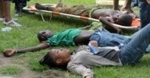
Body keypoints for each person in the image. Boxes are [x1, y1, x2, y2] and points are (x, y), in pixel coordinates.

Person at [39, 23, 150, 78]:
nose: (61, 49)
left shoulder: (76, 53)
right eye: (58, 51)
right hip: (123, 57)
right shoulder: (72, 64)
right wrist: (87, 77)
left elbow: (92, 49)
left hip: (120, 48)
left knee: (147, 31)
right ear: (59, 61)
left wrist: (92, 44)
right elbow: (84, 71)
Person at [3, 27, 132, 57]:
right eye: (42, 34)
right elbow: (35, 48)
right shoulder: (51, 41)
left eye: (44, 30)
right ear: (44, 38)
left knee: (128, 39)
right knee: (130, 42)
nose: (45, 31)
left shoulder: (59, 34)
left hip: (100, 33)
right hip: (96, 38)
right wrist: (16, 50)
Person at [35, 0, 137, 33]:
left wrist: (134, 16)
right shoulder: (112, 16)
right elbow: (102, 19)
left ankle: (51, 7)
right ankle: (50, 7)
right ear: (118, 17)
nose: (115, 21)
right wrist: (115, 26)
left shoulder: (116, 14)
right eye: (117, 20)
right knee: (69, 9)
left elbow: (102, 19)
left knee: (69, 9)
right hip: (88, 10)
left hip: (90, 10)